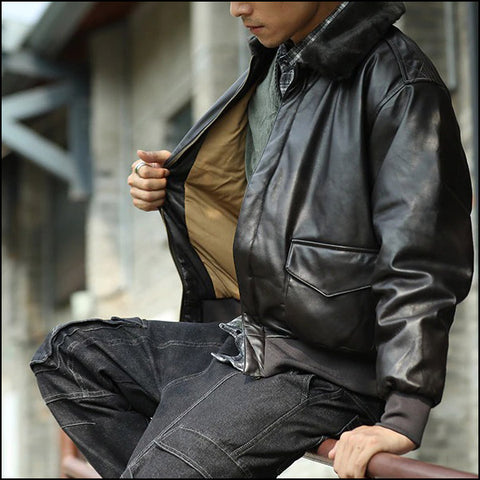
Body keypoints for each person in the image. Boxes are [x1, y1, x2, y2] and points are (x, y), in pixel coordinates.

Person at [31, 2, 474, 478]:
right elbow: (272, 201)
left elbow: (422, 260)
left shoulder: (398, 82)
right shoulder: (282, 64)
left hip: (328, 370)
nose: (236, 8)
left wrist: (404, 412)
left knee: (161, 470)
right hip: (255, 341)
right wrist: (174, 181)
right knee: (69, 357)